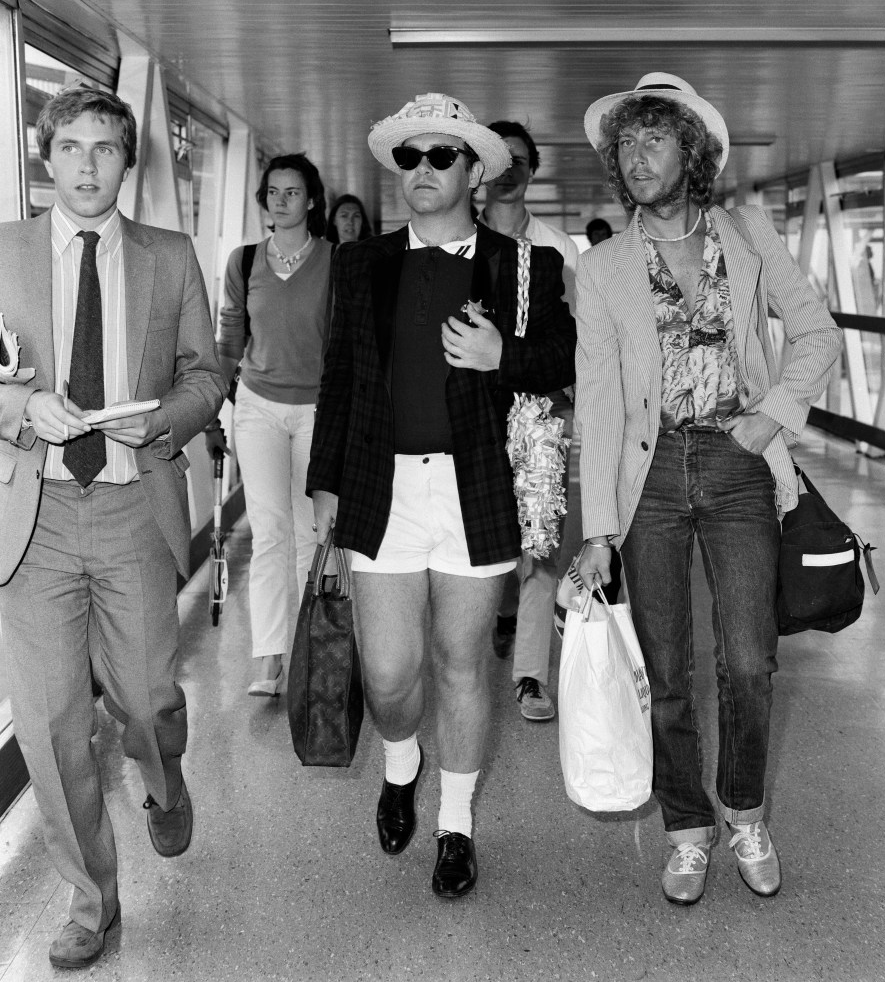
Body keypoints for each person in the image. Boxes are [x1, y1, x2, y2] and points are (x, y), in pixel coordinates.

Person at [574, 73, 842, 906]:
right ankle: (687, 829)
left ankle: (745, 811)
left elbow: (816, 334)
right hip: (646, 475)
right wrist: (596, 525)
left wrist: (771, 417)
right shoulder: (603, 268)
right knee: (665, 667)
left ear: (690, 152)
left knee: (749, 659)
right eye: (625, 142)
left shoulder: (748, 233)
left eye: (654, 138)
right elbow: (599, 397)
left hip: (734, 461)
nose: (635, 155)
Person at [307, 93, 575, 898]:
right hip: (381, 487)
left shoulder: (524, 264)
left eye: (439, 156)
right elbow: (341, 378)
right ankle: (400, 762)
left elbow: (560, 361)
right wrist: (323, 479)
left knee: (462, 662)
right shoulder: (359, 264)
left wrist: (504, 354)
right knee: (388, 673)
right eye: (409, 158)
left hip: (474, 487)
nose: (420, 171)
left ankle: (455, 825)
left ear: (473, 171)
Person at [0, 85, 226, 968]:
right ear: (45, 160)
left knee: (146, 698)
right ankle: (92, 901)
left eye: (105, 148)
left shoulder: (169, 257)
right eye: (70, 148)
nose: (87, 164)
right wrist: (22, 405)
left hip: (135, 506)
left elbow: (207, 373)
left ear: (127, 161)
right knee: (53, 722)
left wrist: (166, 417)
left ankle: (164, 781)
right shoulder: (1, 254)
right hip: (35, 518)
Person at [216, 154, 333, 696]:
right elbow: (228, 345)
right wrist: (215, 408)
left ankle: (311, 647)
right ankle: (268, 656)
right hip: (257, 406)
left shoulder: (336, 261)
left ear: (311, 200)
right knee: (269, 532)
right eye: (273, 192)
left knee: (312, 532)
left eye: (293, 192)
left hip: (317, 410)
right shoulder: (243, 263)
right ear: (263, 199)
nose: (282, 201)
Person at [481, 119, 578, 722]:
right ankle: (494, 615)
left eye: (522, 160)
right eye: (501, 159)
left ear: (534, 170)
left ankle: (529, 676)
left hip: (543, 409)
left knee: (541, 544)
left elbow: (575, 341)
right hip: (477, 416)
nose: (511, 169)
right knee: (485, 540)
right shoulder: (458, 243)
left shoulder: (558, 250)